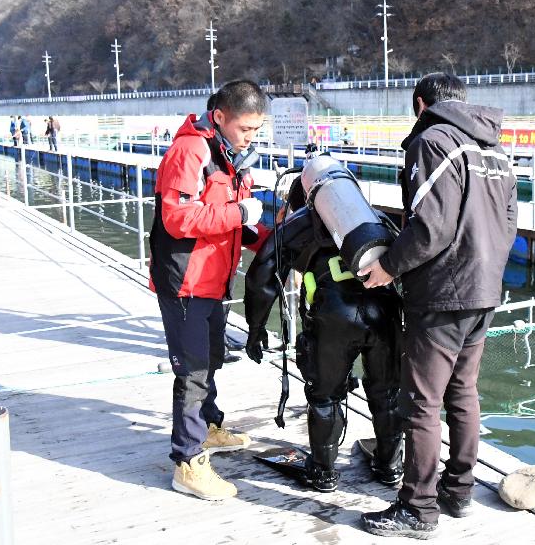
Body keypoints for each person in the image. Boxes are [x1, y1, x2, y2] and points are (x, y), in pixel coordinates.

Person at [357, 72, 518, 538]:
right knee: (463, 393)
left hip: (442, 293)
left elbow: (429, 227)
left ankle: (418, 507)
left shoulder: (432, 142)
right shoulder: (495, 151)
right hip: (484, 290)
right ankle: (459, 490)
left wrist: (389, 266)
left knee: (422, 402)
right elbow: (509, 226)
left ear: (420, 105)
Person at [244, 171, 404, 492]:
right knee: (387, 391)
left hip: (334, 318)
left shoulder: (300, 223)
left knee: (325, 395)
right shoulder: (374, 219)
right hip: (385, 310)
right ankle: (390, 465)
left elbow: (263, 271)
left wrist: (256, 328)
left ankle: (323, 472)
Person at [148, 79, 269, 500]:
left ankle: (210, 425)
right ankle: (187, 461)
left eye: (257, 130)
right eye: (246, 129)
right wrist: (240, 211)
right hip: (185, 281)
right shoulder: (190, 151)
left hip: (214, 279)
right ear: (219, 117)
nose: (251, 137)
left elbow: (237, 223)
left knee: (212, 357)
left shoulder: (228, 154)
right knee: (193, 370)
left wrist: (270, 237)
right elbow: (178, 219)